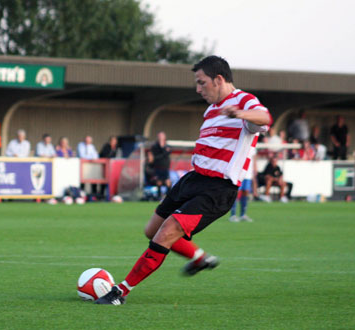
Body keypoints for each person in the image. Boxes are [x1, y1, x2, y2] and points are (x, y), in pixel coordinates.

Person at [95, 56, 271, 305]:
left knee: (166, 232)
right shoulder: (211, 109)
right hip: (192, 179)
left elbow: (265, 118)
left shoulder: (244, 101)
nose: (198, 89)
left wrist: (239, 113)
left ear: (219, 79)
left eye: (201, 83)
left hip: (218, 189)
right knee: (152, 230)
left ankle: (120, 292)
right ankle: (199, 258)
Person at [229, 150, 256, 222]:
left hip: (248, 174)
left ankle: (243, 214)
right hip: (239, 172)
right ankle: (233, 215)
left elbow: (253, 159)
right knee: (236, 193)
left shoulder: (253, 147)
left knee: (245, 192)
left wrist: (254, 170)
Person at [150, 131, 172, 198]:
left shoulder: (167, 146)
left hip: (165, 167)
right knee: (158, 182)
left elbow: (167, 153)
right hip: (158, 167)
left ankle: (169, 196)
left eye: (162, 136)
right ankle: (159, 197)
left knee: (167, 182)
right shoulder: (154, 146)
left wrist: (162, 148)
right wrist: (163, 152)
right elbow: (155, 157)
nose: (161, 138)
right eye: (160, 136)